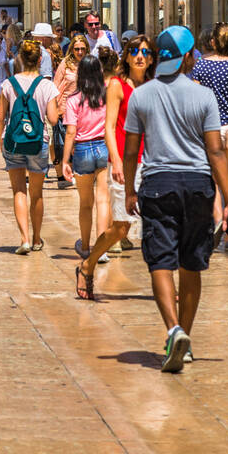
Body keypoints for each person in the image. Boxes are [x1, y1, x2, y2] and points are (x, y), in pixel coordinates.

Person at [123, 26, 228, 372]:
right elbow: (215, 151)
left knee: (160, 261)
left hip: (158, 185)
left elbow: (132, 151)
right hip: (197, 186)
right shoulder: (203, 97)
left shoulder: (141, 96)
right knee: (192, 262)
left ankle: (173, 329)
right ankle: (185, 337)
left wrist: (130, 189)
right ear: (189, 56)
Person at [76, 35, 155, 297]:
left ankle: (165, 282)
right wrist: (117, 161)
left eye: (145, 52)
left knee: (158, 225)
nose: (140, 56)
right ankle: (87, 264)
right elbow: (109, 127)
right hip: (125, 162)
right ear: (127, 56)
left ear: (152, 57)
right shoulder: (117, 86)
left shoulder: (155, 86)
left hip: (153, 162)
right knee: (122, 228)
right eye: (135, 51)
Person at [190, 23, 228, 251]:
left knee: (215, 181)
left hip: (211, 127)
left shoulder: (201, 66)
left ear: (213, 42)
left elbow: (195, 101)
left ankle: (217, 224)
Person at [0, 38, 60, 254]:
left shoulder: (8, 84)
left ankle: (23, 238)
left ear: (20, 59)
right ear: (40, 60)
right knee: (37, 193)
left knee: (18, 191)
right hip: (37, 143)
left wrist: (1, 138)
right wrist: (59, 111)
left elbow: (0, 116)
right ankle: (37, 238)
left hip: (13, 142)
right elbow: (52, 119)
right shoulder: (47, 85)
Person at [62, 55, 111, 265]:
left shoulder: (74, 100)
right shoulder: (107, 96)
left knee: (85, 203)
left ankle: (84, 245)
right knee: (103, 200)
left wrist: (65, 160)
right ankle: (102, 248)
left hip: (82, 149)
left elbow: (71, 132)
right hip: (103, 147)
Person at [53, 32, 89, 187]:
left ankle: (79, 173)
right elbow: (55, 87)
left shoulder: (90, 64)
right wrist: (54, 108)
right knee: (67, 143)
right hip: (65, 110)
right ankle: (68, 172)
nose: (79, 52)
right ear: (72, 50)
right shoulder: (65, 64)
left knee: (80, 143)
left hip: (85, 110)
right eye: (76, 49)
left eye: (82, 49)